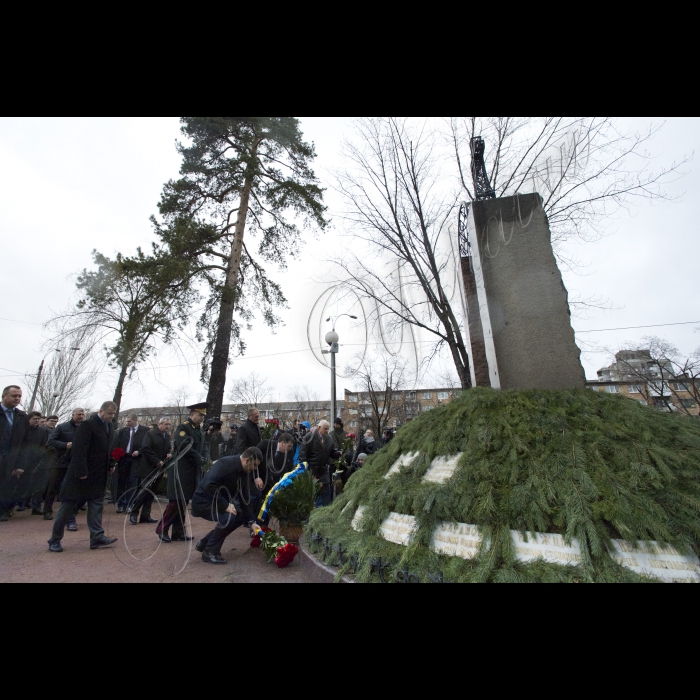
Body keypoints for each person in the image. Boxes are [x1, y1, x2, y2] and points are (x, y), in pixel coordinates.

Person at [47, 402, 119, 553]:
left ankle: (97, 537)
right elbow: (79, 449)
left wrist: (111, 464)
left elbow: (110, 449)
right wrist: (81, 471)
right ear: (101, 411)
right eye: (110, 413)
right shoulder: (87, 425)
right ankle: (54, 539)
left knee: (96, 506)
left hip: (99, 475)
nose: (112, 417)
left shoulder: (109, 427)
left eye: (113, 414)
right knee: (67, 507)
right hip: (80, 475)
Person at [191, 447, 263, 565]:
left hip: (217, 501)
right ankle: (209, 552)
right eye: (254, 465)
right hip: (203, 501)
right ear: (247, 460)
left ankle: (205, 542)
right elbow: (209, 485)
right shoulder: (225, 463)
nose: (255, 469)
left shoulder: (244, 472)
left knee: (240, 516)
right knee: (229, 516)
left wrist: (251, 521)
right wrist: (225, 506)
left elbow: (245, 498)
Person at [157, 403, 206, 544]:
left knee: (182, 502)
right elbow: (185, 445)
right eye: (200, 415)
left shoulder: (199, 430)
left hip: (190, 471)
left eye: (203, 415)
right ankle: (162, 529)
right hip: (180, 469)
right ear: (192, 414)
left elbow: (203, 447)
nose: (202, 418)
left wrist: (206, 457)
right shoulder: (183, 427)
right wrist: (198, 457)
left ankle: (178, 532)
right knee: (175, 501)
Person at [45, 408, 86, 525]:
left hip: (76, 463)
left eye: (83, 414)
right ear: (73, 415)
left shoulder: (85, 428)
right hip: (59, 462)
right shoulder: (62, 427)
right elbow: (51, 441)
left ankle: (70, 515)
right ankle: (47, 510)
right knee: (52, 487)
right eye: (79, 414)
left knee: (73, 490)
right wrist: (64, 445)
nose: (81, 416)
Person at [128, 418, 172, 526]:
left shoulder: (167, 436)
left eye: (169, 425)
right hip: (148, 468)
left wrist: (170, 454)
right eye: (166, 424)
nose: (168, 426)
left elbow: (168, 449)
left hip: (160, 469)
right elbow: (146, 448)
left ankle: (145, 515)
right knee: (144, 491)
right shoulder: (150, 434)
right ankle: (133, 513)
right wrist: (156, 460)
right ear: (160, 424)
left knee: (151, 493)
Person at [0, 386, 31, 522]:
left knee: (9, 487)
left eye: (19, 396)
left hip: (11, 459)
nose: (17, 398)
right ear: (4, 396)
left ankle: (4, 511)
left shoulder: (22, 416)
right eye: (14, 396)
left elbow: (25, 443)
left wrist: (21, 464)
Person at [299, 420, 341, 508]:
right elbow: (303, 454)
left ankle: (324, 514)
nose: (327, 431)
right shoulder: (309, 437)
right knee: (312, 497)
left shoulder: (329, 439)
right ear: (319, 428)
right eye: (325, 429)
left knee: (326, 495)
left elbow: (332, 453)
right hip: (311, 470)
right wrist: (306, 471)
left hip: (324, 471)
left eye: (328, 429)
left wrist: (339, 454)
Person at [115, 415, 149, 514]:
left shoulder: (145, 430)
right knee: (122, 482)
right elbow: (118, 444)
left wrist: (139, 452)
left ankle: (130, 505)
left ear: (135, 420)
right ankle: (121, 505)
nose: (127, 423)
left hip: (136, 459)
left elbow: (147, 445)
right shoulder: (123, 431)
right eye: (127, 421)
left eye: (129, 421)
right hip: (124, 458)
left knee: (133, 482)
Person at [18, 411, 49, 513]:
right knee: (23, 483)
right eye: (34, 419)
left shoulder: (42, 431)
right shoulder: (22, 429)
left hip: (35, 460)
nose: (36, 421)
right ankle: (21, 503)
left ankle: (34, 506)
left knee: (36, 484)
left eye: (38, 419)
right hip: (22, 460)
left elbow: (43, 446)